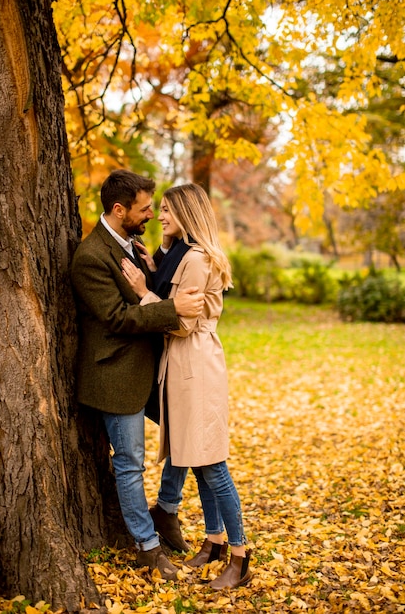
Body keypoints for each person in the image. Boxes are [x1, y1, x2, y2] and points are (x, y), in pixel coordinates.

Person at [70, 169, 205, 580]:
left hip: (152, 369)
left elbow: (149, 282)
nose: (150, 214)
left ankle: (166, 510)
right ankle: (147, 548)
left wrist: (160, 255)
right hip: (116, 375)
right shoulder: (90, 257)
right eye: (145, 208)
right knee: (130, 464)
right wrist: (173, 309)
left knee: (184, 431)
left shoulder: (133, 244)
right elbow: (116, 317)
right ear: (118, 209)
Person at [121, 183, 252, 590]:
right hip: (185, 365)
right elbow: (172, 291)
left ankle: (240, 556)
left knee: (212, 465)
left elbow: (181, 321)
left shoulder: (196, 259)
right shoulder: (185, 254)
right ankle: (213, 543)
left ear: (186, 213)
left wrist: (144, 292)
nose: (159, 215)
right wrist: (157, 261)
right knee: (196, 458)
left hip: (193, 364)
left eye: (165, 210)